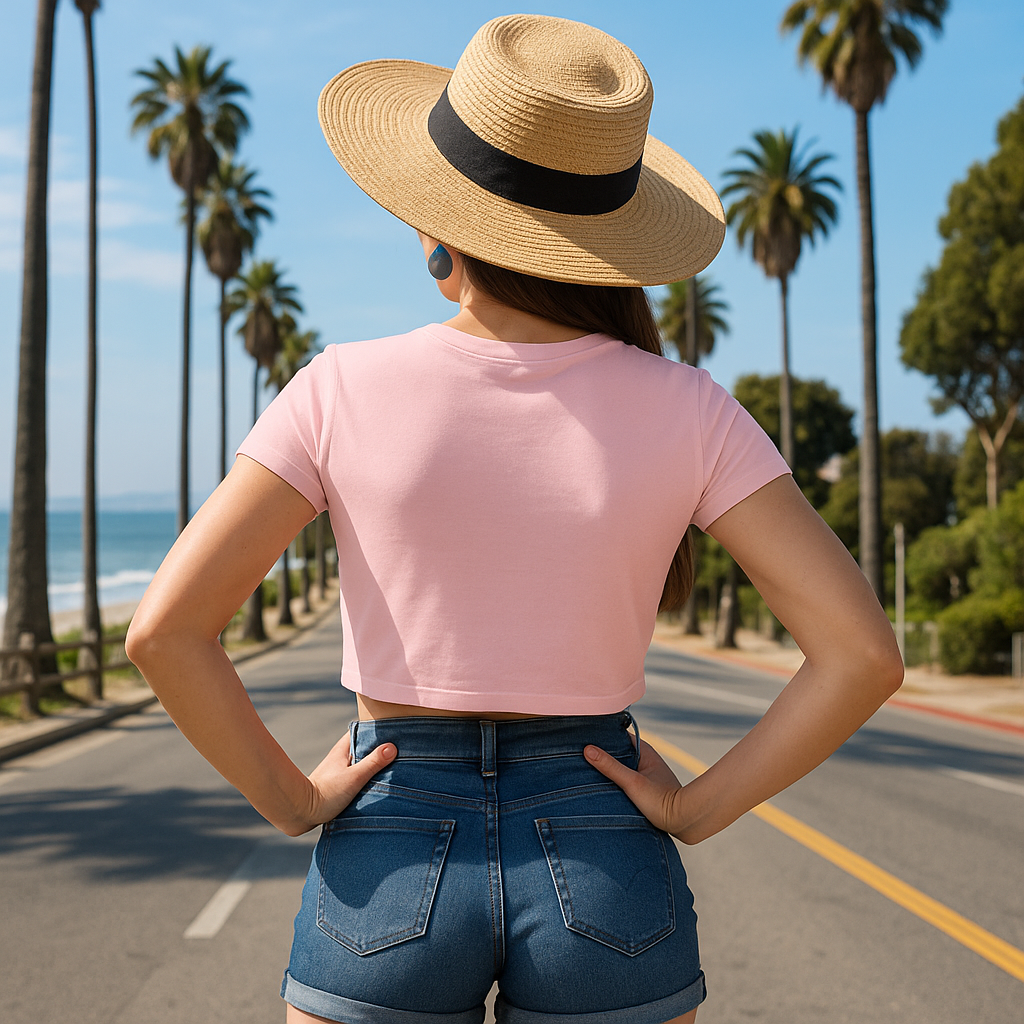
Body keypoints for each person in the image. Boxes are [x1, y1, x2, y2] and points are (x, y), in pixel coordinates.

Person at [125, 14, 903, 1024]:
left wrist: (294, 800)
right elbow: (861, 655)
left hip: (392, 838)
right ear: (611, 234)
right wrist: (691, 809)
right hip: (605, 847)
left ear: (437, 221)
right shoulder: (690, 407)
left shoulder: (338, 389)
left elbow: (165, 631)